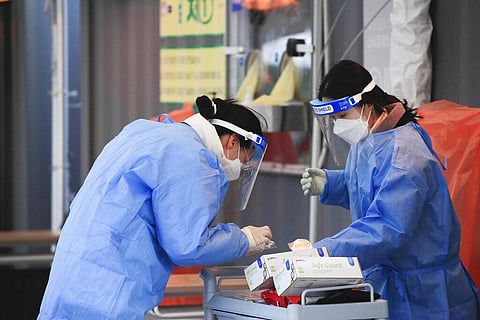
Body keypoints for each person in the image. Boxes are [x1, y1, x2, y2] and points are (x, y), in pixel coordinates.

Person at [38, 95, 273, 319]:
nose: (239, 168)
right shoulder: (191, 157)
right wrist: (244, 240)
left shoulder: (145, 132)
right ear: (232, 141)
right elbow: (187, 246)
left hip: (72, 272)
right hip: (105, 290)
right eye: (243, 160)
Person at [300, 60, 480, 319]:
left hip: (426, 294)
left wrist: (325, 252)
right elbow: (367, 187)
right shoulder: (370, 138)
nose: (339, 126)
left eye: (341, 117)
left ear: (368, 106)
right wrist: (333, 184)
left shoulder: (406, 158)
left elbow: (386, 225)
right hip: (391, 283)